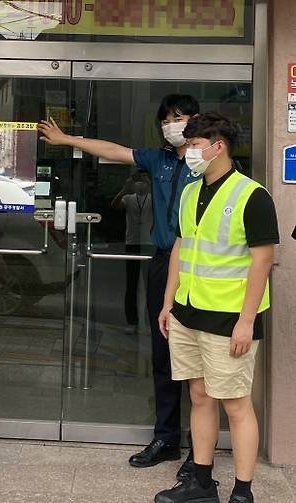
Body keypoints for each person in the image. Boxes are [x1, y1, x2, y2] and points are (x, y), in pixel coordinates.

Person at [39, 94, 200, 477]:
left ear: (197, 120)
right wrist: (68, 140)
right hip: (163, 262)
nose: (172, 124)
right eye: (166, 118)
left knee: (199, 361)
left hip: (201, 267)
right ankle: (166, 438)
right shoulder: (157, 160)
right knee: (162, 355)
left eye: (179, 117)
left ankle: (202, 449)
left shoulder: (207, 163)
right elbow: (113, 149)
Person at [154, 113, 279, 503]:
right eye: (188, 144)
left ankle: (243, 492)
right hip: (188, 312)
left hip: (230, 318)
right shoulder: (190, 192)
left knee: (237, 404)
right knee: (199, 396)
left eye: (194, 144)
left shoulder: (251, 195)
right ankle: (201, 483)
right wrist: (167, 302)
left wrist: (246, 321)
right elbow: (181, 247)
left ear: (217, 146)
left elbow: (262, 261)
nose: (189, 151)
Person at [111, 172, 153, 334]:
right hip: (132, 243)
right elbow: (114, 205)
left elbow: (163, 202)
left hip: (149, 244)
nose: (139, 184)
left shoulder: (152, 198)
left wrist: (151, 184)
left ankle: (150, 322)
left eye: (142, 181)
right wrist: (124, 189)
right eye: (137, 181)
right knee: (131, 284)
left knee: (150, 285)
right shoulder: (129, 198)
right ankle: (132, 321)